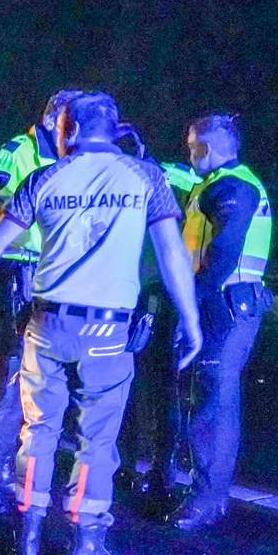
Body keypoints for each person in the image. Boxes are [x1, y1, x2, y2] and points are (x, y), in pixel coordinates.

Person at [0, 92, 202, 555]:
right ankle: (85, 549)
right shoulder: (145, 177)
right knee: (96, 440)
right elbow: (173, 256)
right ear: (112, 129)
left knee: (39, 431)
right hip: (107, 330)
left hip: (46, 324)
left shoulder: (47, 176)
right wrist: (191, 322)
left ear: (66, 131)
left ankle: (26, 538)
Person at [0, 89, 82, 523]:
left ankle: (7, 476)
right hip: (13, 278)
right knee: (7, 384)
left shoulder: (67, 162)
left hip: (46, 279)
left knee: (35, 388)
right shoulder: (14, 156)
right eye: (74, 121)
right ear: (54, 121)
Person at [166, 113, 274, 530]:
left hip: (227, 307)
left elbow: (225, 251)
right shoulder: (213, 184)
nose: (189, 154)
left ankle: (207, 500)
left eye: (193, 146)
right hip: (222, 303)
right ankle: (203, 490)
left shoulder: (232, 187)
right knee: (204, 396)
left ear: (206, 148)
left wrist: (191, 303)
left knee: (214, 401)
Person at [114, 153, 203, 515]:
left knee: (141, 385)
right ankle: (152, 470)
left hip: (148, 295)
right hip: (154, 293)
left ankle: (147, 470)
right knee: (151, 387)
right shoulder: (173, 177)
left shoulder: (131, 179)